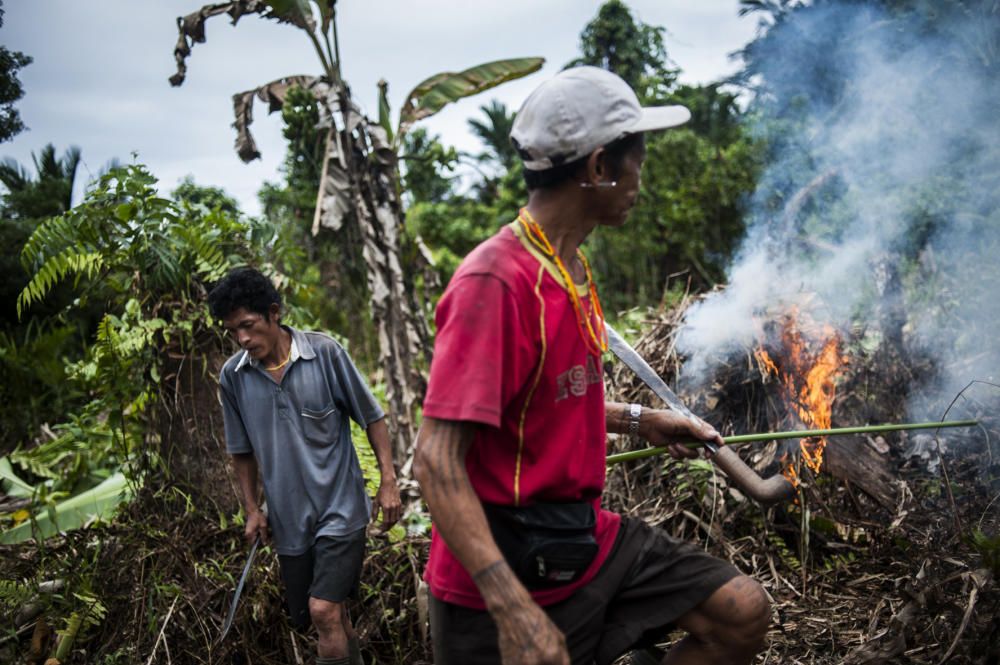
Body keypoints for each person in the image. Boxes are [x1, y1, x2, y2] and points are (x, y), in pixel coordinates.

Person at [413, 66, 770, 665]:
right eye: (638, 162)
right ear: (599, 167)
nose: (641, 179)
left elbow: (545, 400)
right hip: (503, 570)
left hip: (579, 538)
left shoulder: (570, 268)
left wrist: (642, 420)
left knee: (739, 612)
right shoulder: (496, 282)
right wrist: (515, 610)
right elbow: (435, 460)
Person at [208, 267, 401, 665]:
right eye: (232, 331)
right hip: (290, 521)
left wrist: (388, 481)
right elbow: (240, 450)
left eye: (248, 325)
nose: (242, 338)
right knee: (332, 618)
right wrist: (251, 509)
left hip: (342, 510)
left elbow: (372, 417)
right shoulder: (233, 377)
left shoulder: (325, 353)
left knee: (323, 611)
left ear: (274, 313)